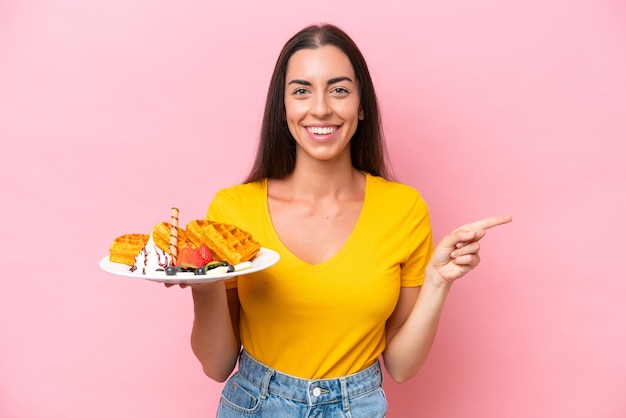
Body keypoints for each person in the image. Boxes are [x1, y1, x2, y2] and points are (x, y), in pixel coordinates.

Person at [183, 23, 512, 417]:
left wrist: (438, 282)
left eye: (338, 89)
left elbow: (403, 367)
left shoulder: (403, 210)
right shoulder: (232, 210)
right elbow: (216, 365)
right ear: (283, 107)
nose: (320, 108)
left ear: (361, 106)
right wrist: (203, 285)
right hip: (255, 405)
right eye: (301, 90)